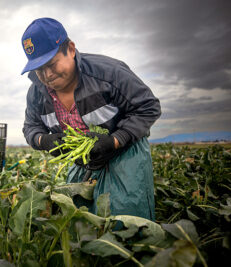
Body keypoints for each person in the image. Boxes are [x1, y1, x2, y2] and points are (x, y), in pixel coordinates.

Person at [20, 18, 161, 221]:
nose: (47, 75)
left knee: (123, 223)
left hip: (124, 153)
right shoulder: (37, 93)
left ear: (70, 48)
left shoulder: (109, 73)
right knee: (79, 221)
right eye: (39, 69)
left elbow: (148, 107)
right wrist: (45, 141)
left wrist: (114, 140)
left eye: (51, 64)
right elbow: (31, 127)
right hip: (83, 161)